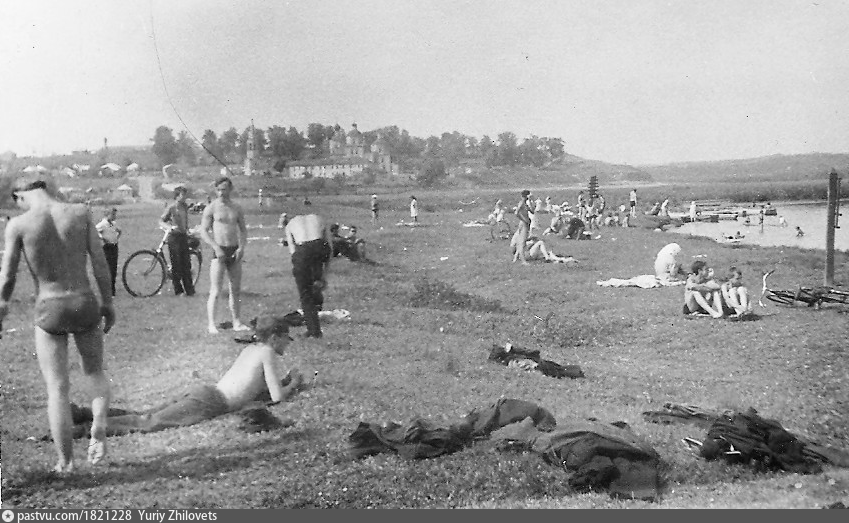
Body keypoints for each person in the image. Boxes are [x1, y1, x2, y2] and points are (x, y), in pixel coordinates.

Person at [0, 177, 115, 472]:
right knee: (95, 372)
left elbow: (8, 277)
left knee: (57, 388)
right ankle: (99, 427)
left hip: (50, 306)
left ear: (20, 197)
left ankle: (66, 462)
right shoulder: (80, 212)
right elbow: (100, 263)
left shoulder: (19, 224)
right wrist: (107, 303)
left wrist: (2, 307)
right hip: (84, 301)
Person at [85, 316, 302, 436]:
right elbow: (277, 397)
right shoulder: (268, 353)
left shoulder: (252, 349)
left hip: (208, 393)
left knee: (145, 414)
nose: (288, 343)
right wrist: (293, 384)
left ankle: (83, 415)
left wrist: (284, 381)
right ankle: (82, 428)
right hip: (213, 401)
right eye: (287, 338)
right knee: (149, 422)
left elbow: (258, 389)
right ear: (274, 338)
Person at [200, 177, 249, 334]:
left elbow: (243, 230)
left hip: (234, 249)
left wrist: (241, 248)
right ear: (216, 190)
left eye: (224, 189)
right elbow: (203, 231)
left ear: (230, 189)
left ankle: (237, 322)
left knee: (235, 289)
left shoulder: (236, 208)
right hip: (219, 250)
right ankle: (211, 324)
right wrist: (215, 247)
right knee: (215, 289)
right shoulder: (211, 208)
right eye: (219, 190)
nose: (222, 193)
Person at [285, 213, 333, 338]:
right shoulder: (319, 218)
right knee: (316, 281)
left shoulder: (290, 225)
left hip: (303, 249)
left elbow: (293, 252)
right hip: (321, 247)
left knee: (305, 294)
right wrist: (325, 276)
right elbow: (330, 249)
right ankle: (317, 292)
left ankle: (314, 331)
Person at [159, 186, 196, 297]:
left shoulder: (185, 207)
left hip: (183, 236)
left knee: (186, 264)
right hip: (174, 237)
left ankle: (190, 290)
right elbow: (161, 221)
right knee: (176, 264)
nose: (184, 197)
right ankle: (178, 290)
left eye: (185, 195)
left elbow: (185, 222)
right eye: (182, 195)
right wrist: (169, 227)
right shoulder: (172, 207)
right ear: (177, 196)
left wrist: (188, 230)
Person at [95, 208, 121, 296]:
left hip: (114, 246)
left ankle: (112, 290)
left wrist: (117, 237)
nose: (114, 216)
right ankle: (107, 290)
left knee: (114, 269)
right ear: (107, 215)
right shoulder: (103, 224)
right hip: (107, 247)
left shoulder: (113, 224)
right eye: (112, 214)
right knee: (109, 268)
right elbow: (95, 231)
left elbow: (119, 231)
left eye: (115, 214)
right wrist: (102, 238)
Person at [510, 190, 532, 265]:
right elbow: (516, 213)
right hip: (523, 224)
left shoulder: (526, 203)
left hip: (526, 223)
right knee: (522, 242)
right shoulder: (522, 203)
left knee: (522, 241)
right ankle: (523, 261)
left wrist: (531, 202)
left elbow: (532, 211)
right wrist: (524, 219)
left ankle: (515, 258)